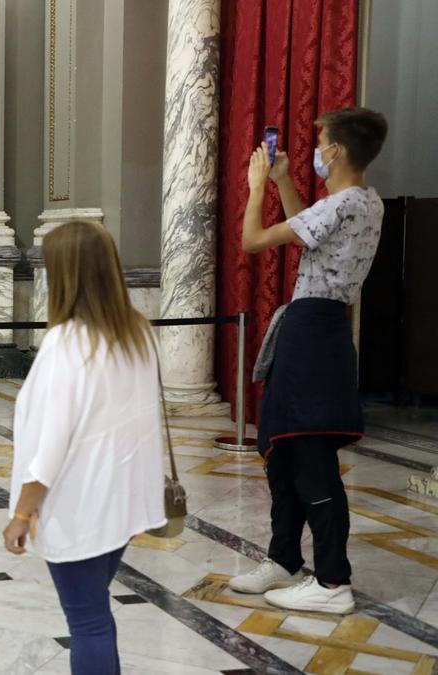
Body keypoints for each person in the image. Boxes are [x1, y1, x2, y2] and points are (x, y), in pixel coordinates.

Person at [227, 107, 388, 614]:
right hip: (318, 328)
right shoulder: (362, 201)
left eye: (321, 141)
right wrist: (284, 182)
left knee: (311, 452)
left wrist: (256, 186)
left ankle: (333, 582)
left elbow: (253, 241)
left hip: (313, 333)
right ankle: (284, 559)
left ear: (336, 150)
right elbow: (307, 227)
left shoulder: (340, 203)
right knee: (285, 449)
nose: (317, 149)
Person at [3, 221, 166, 675]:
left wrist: (22, 513)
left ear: (66, 275)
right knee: (95, 611)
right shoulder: (137, 332)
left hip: (78, 503)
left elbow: (51, 442)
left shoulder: (66, 342)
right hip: (120, 501)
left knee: (88, 621)